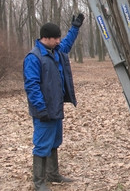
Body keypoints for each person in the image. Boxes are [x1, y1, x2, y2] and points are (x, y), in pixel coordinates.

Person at [23, 14, 84, 191]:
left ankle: (53, 174)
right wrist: (41, 109)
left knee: (55, 142)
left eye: (59, 37)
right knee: (42, 144)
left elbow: (67, 43)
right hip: (44, 111)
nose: (59, 41)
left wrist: (75, 28)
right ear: (45, 38)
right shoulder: (33, 58)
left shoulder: (56, 51)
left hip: (56, 108)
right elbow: (31, 86)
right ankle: (39, 182)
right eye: (55, 38)